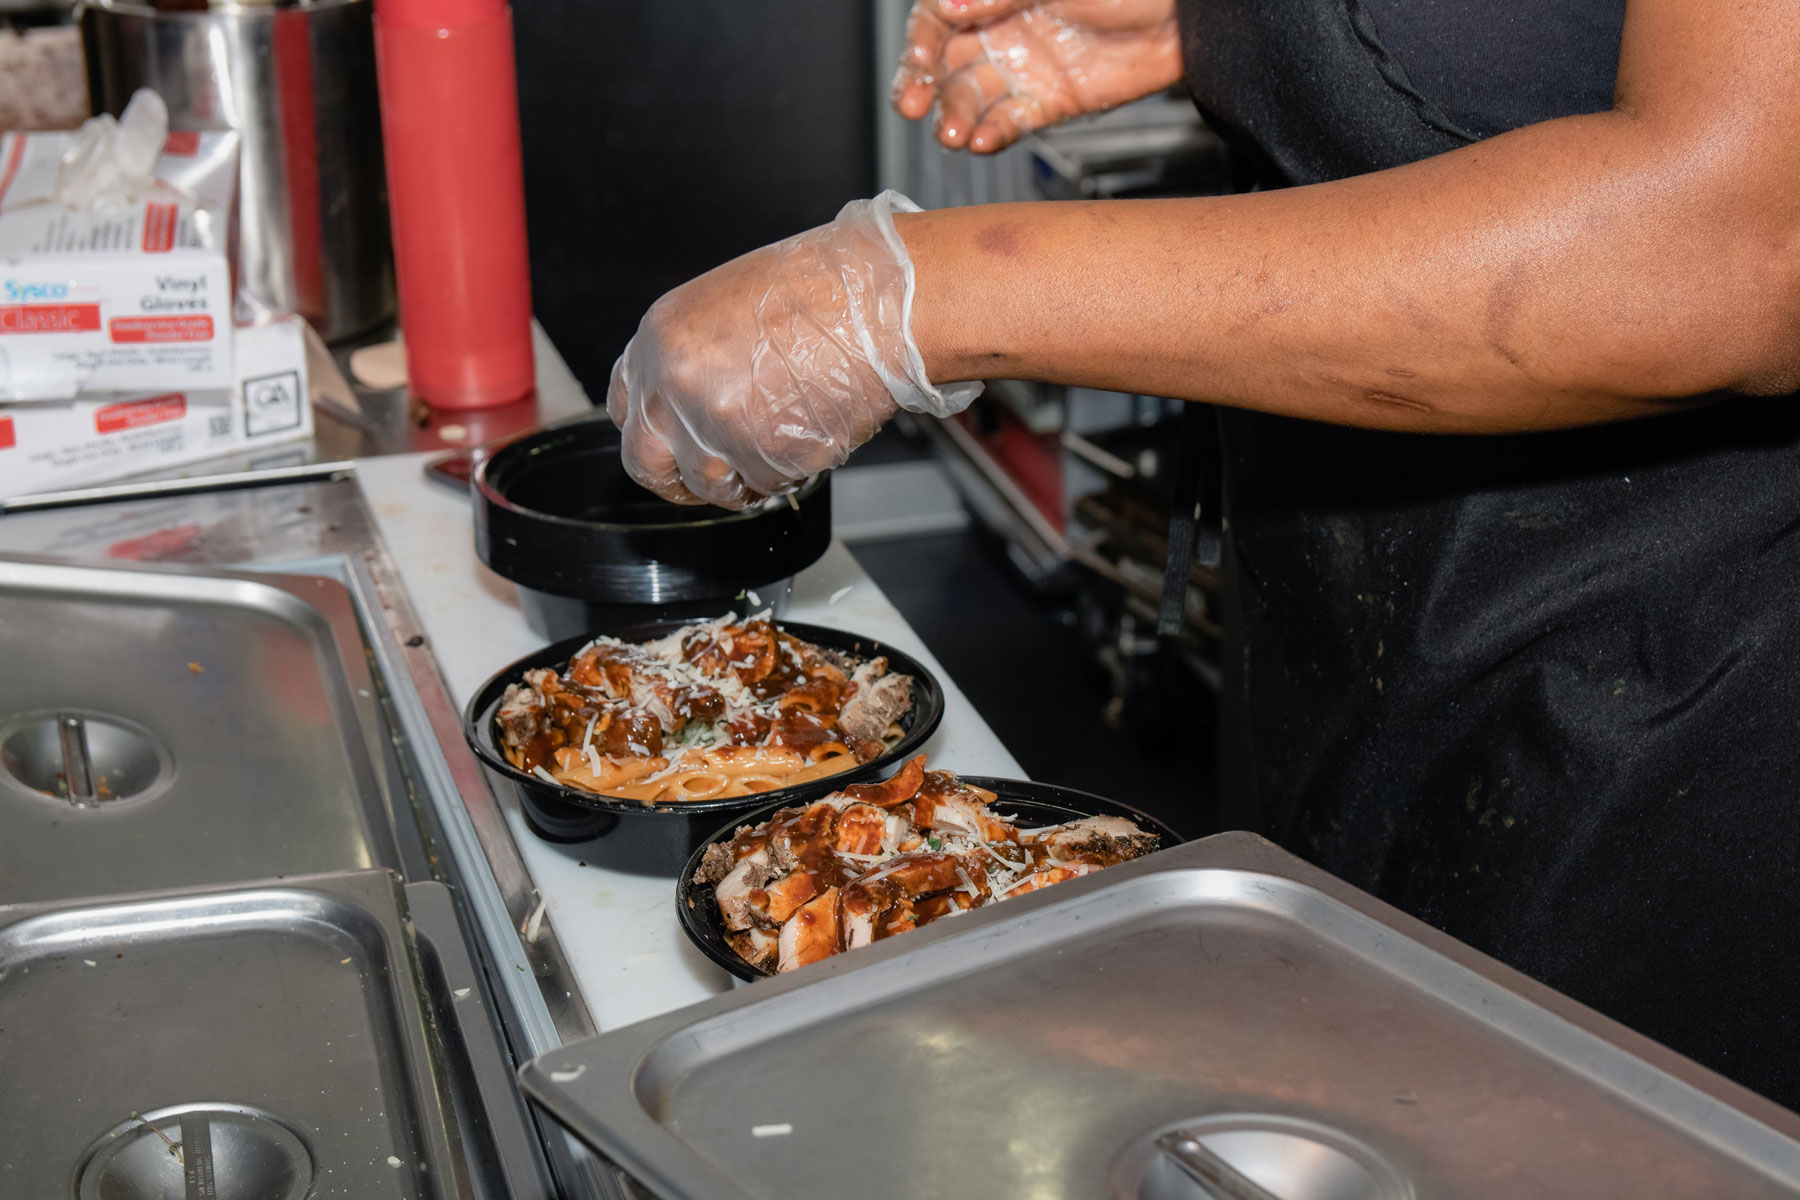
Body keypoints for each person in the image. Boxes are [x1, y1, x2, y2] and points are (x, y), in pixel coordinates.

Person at [606, 0, 1800, 1109]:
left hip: (1685, 710)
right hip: (1342, 598)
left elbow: (1738, 240)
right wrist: (1244, 25)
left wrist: (912, 295)